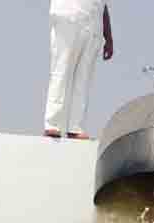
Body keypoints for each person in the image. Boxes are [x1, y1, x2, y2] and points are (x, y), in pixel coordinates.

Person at [44, 1, 114, 139]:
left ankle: (75, 127)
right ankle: (52, 124)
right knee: (61, 71)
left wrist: (109, 37)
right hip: (69, 16)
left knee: (83, 79)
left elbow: (103, 6)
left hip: (93, 24)